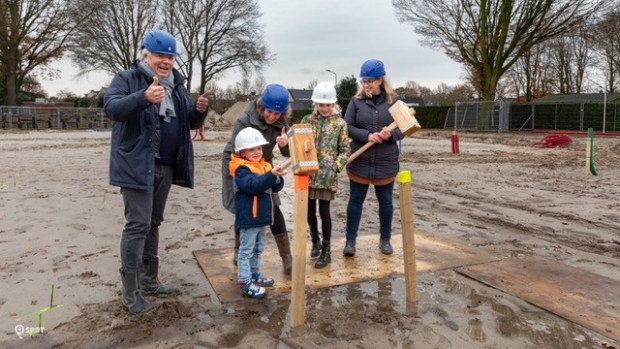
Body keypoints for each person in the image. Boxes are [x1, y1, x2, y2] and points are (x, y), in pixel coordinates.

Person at [104, 29, 210, 314]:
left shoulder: (176, 85)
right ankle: (131, 292)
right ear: (146, 55)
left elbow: (187, 121)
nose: (166, 61)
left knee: (153, 222)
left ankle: (150, 281)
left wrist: (200, 111)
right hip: (136, 165)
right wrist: (143, 97)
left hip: (165, 166)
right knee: (137, 224)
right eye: (160, 55)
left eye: (170, 56)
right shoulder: (126, 79)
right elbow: (111, 108)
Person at [221, 84, 293, 275]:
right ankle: (239, 250)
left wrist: (285, 145)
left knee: (272, 206)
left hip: (264, 161)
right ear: (262, 106)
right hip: (239, 162)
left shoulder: (282, 121)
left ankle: (287, 257)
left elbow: (288, 152)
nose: (272, 116)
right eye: (270, 111)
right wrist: (253, 178)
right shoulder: (244, 120)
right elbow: (238, 152)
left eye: (278, 113)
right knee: (244, 206)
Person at [343, 59, 405, 257]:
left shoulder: (394, 102)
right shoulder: (356, 102)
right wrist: (367, 136)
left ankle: (385, 239)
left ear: (381, 80)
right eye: (364, 81)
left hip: (386, 161)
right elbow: (347, 127)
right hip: (360, 160)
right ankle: (350, 241)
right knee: (355, 201)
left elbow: (405, 127)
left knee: (386, 202)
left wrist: (390, 135)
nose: (366, 85)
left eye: (371, 81)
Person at [229, 127, 286, 298]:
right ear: (242, 151)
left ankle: (255, 274)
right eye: (251, 149)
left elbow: (275, 187)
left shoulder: (265, 166)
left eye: (259, 148)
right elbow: (253, 186)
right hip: (249, 218)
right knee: (245, 251)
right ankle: (245, 282)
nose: (256, 152)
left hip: (262, 217)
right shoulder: (241, 169)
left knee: (258, 248)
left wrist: (277, 177)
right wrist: (270, 176)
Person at [300, 82, 350, 268]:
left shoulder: (340, 124)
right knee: (309, 211)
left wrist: (335, 167)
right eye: (321, 105)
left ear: (333, 104)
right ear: (316, 105)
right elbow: (298, 143)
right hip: (308, 173)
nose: (325, 108)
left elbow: (345, 149)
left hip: (327, 177)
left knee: (324, 212)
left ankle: (326, 251)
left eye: (328, 105)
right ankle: (315, 241)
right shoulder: (307, 120)